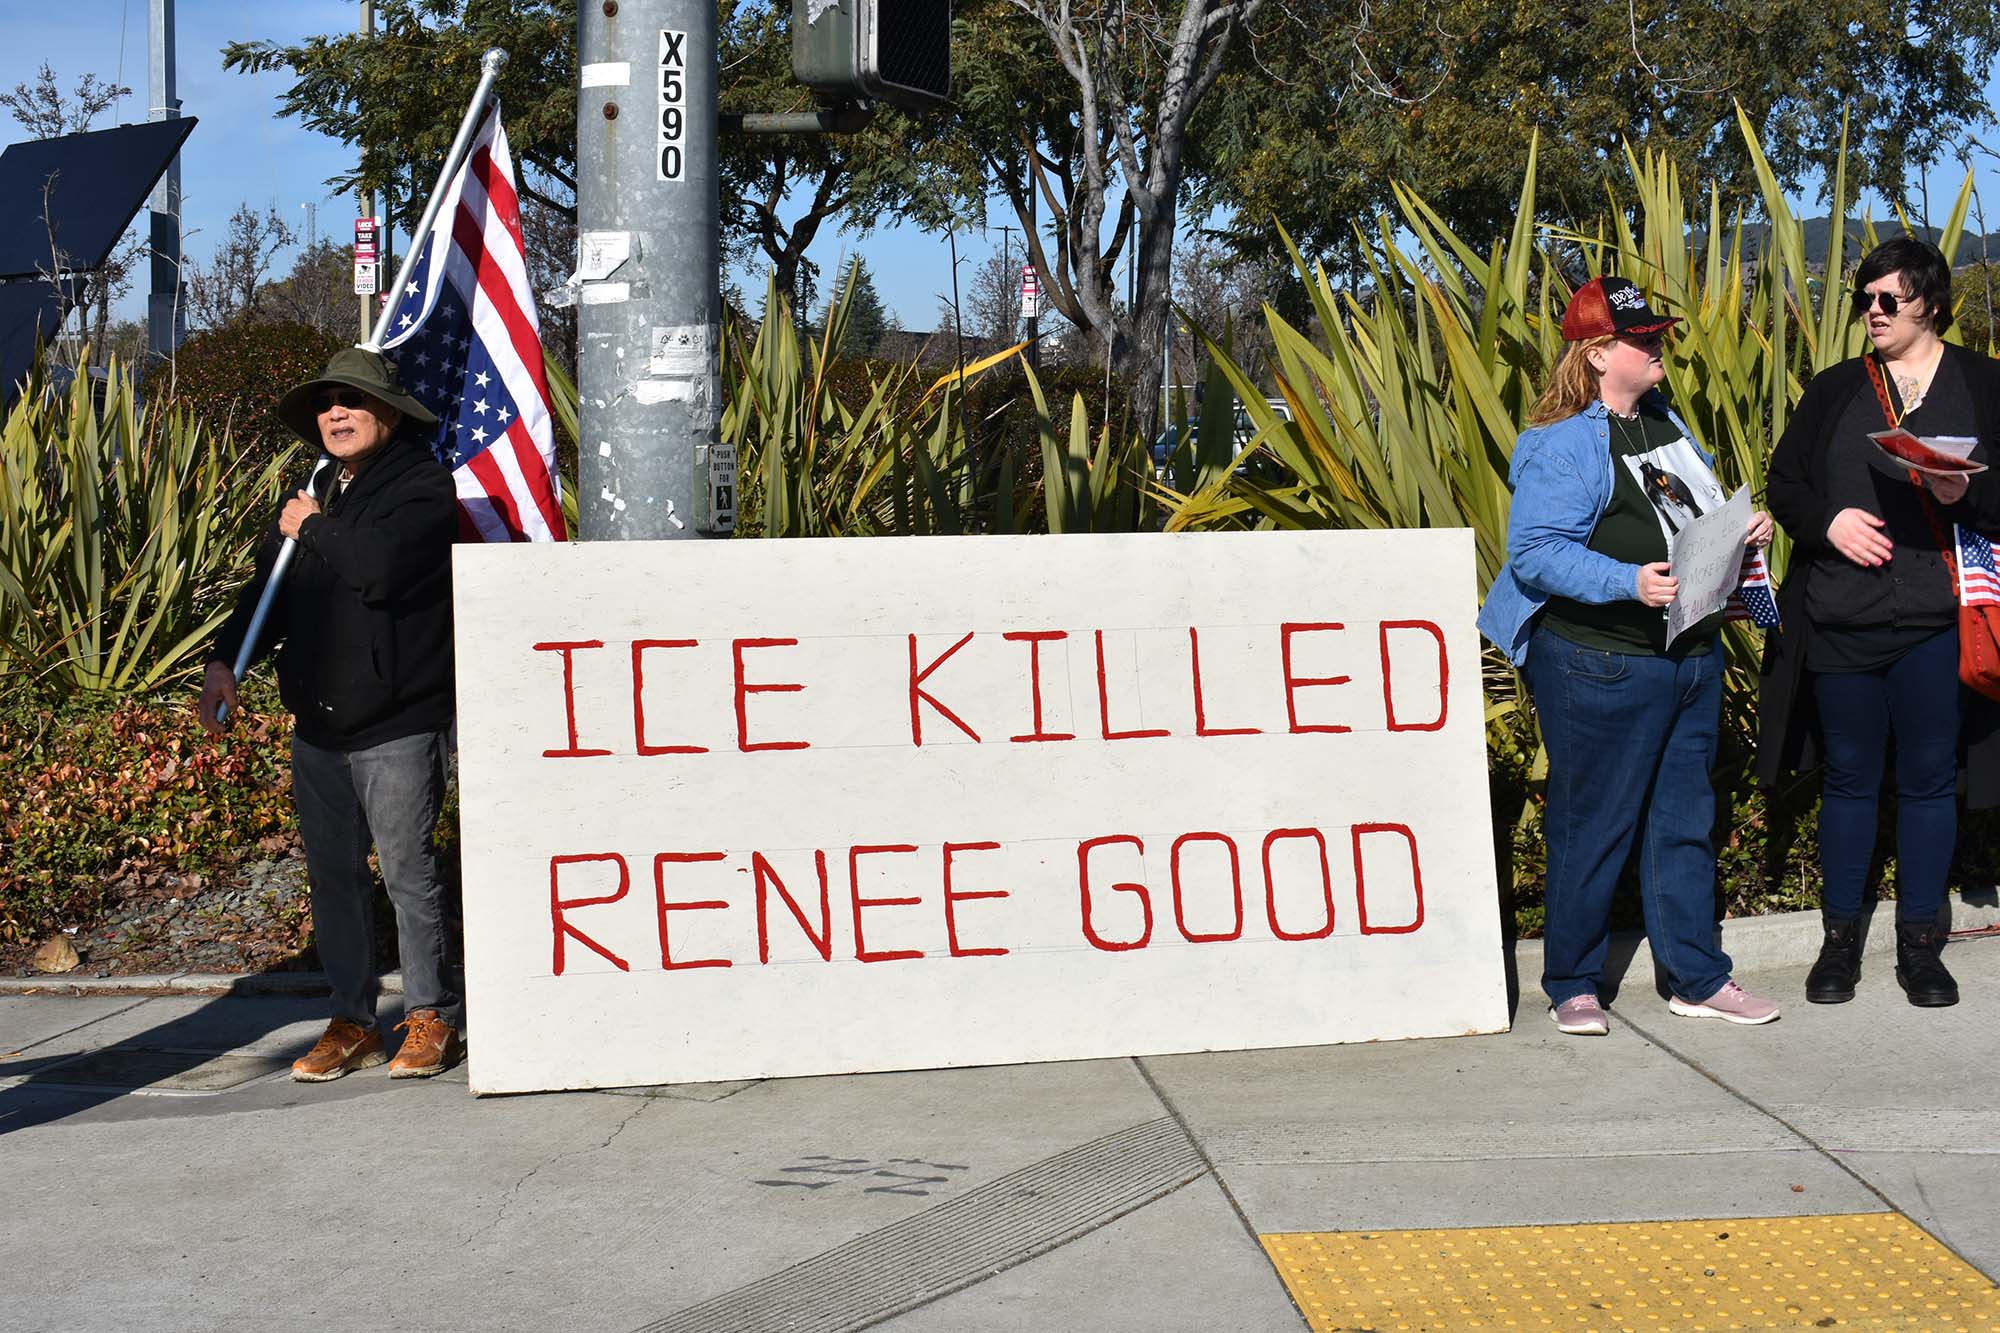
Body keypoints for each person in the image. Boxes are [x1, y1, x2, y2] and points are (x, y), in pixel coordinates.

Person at [1480, 275, 1781, 1035]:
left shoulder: (1666, 423)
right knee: (1592, 822)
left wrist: (1743, 530)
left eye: (1656, 336)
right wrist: (1628, 582)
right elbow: (1534, 555)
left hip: (1689, 655)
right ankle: (1574, 982)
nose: (1657, 348)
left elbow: (1694, 511)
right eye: (1642, 339)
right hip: (1596, 661)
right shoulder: (1560, 443)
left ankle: (1696, 976)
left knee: (1683, 821)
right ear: (1597, 353)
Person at [199, 347, 465, 1079]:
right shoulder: (319, 487)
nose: (335, 414)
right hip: (317, 724)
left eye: (351, 400)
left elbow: (378, 568)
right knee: (334, 877)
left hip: (397, 721)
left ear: (388, 411)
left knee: (410, 874)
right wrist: (225, 659)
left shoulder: (422, 486)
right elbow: (269, 589)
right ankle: (353, 1019)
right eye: (326, 404)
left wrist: (312, 526)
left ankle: (431, 1015)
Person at [1758, 236, 2000, 1009]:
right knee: (1850, 782)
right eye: (1864, 299)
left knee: (1931, 784)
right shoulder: (1834, 389)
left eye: (1886, 299)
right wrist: (1828, 524)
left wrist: (1968, 498)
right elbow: (1785, 482)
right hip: (1841, 618)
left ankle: (1921, 949)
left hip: (1937, 619)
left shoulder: (1984, 385)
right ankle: (1839, 945)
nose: (1871, 311)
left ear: (1928, 301)